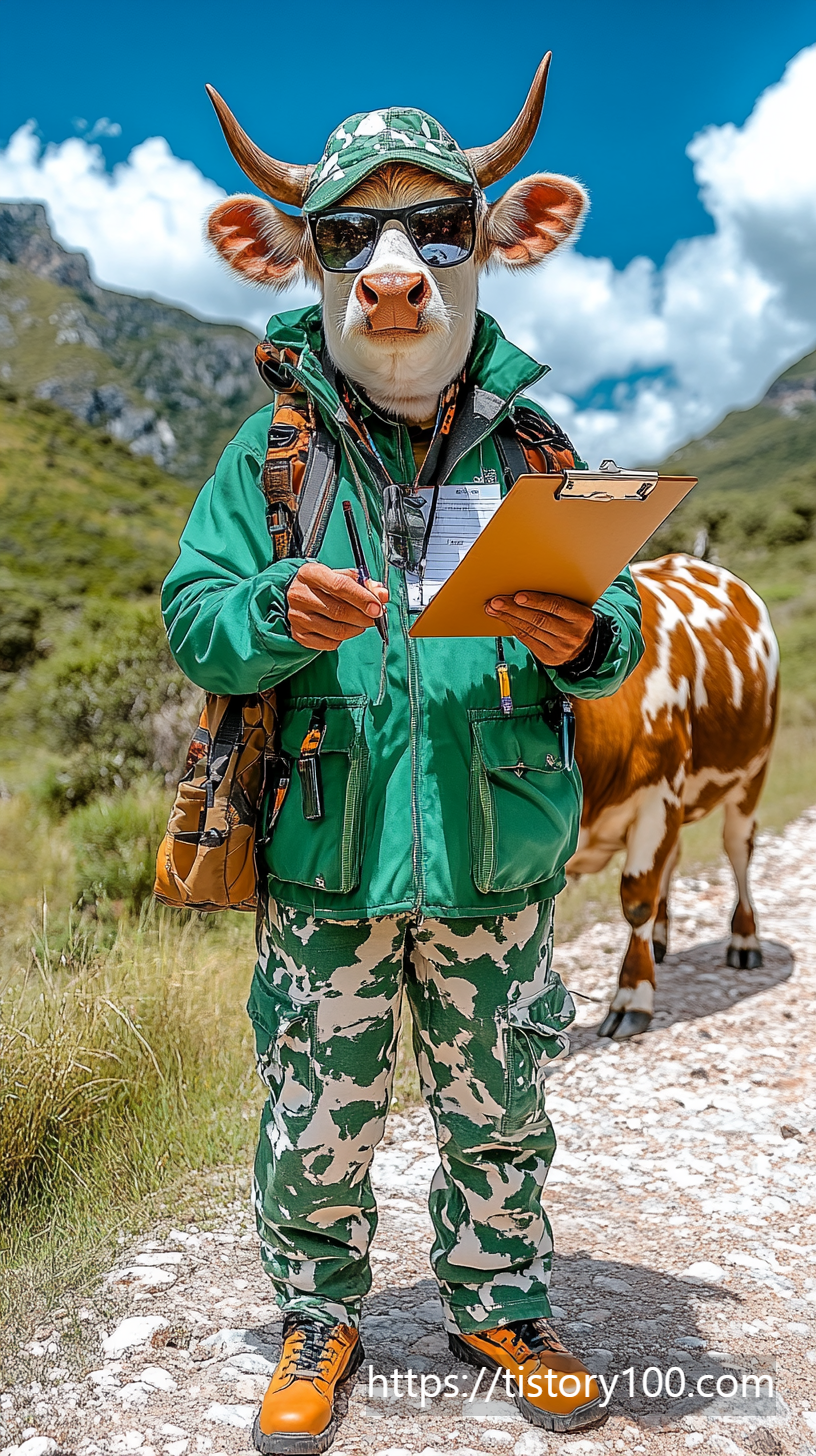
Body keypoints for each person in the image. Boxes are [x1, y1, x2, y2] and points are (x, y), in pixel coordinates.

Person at [162, 75, 644, 1455]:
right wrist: (271, 615)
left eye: (439, 233)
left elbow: (609, 655)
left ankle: (502, 1305)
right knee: (319, 1106)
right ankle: (320, 1313)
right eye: (347, 242)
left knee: (504, 1104)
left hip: (497, 854)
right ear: (296, 258)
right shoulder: (272, 460)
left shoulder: (541, 452)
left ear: (502, 242)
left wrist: (585, 635)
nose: (392, 276)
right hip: (328, 852)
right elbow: (197, 613)